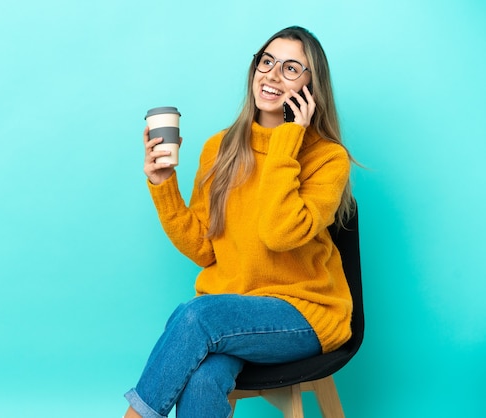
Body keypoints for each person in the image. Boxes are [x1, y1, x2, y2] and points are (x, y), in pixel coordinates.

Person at [124, 26, 356, 418]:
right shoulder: (221, 147)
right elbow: (204, 248)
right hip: (231, 313)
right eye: (266, 62)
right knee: (202, 377)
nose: (272, 74)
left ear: (311, 88)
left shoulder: (327, 158)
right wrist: (164, 186)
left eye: (290, 68)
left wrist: (287, 138)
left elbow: (279, 233)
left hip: (304, 313)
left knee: (197, 315)